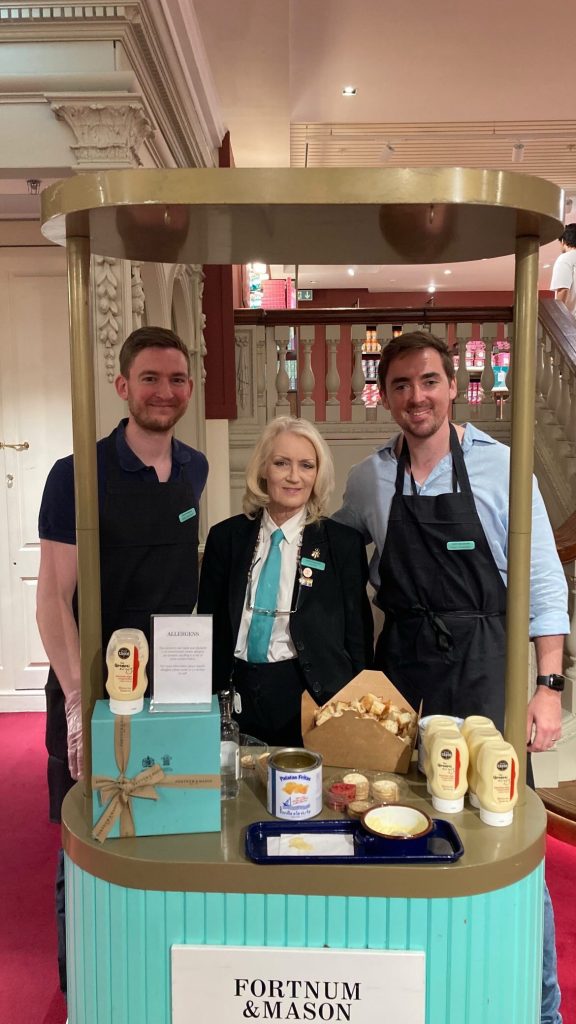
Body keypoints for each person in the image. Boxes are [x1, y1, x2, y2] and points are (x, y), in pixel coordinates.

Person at [334, 329, 568, 1024]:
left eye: (428, 381)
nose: (416, 397)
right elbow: (342, 569)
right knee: (400, 816)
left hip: (484, 663)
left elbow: (545, 587)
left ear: (453, 386)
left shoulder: (501, 468)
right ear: (386, 396)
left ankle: (540, 1002)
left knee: (504, 828)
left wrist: (548, 690)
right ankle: (423, 987)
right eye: (401, 385)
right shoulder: (367, 478)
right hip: (401, 668)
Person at [36, 325, 208, 994]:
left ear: (188, 389)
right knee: (85, 835)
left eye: (176, 380)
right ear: (122, 387)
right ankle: (82, 984)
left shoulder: (195, 466)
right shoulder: (75, 473)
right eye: (149, 379)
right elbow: (53, 601)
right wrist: (79, 701)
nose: (164, 392)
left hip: (171, 684)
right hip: (97, 685)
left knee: (165, 821)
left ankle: (151, 975)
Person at [198, 416, 373, 747]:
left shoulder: (342, 545)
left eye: (306, 465)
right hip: (236, 695)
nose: (294, 476)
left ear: (317, 474)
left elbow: (358, 639)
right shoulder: (225, 539)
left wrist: (357, 713)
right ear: (264, 469)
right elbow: (208, 627)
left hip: (311, 696)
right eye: (282, 463)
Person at [550, 223, 576, 317]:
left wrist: (558, 317)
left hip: (572, 324)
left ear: (563, 241)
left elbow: (563, 289)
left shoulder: (565, 259)